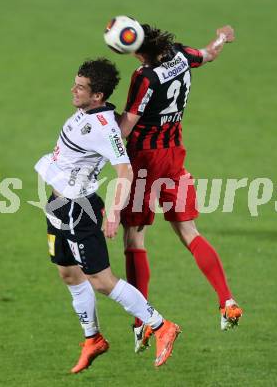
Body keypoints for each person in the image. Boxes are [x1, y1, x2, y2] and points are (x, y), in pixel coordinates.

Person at [34, 58, 180, 373]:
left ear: (97, 95)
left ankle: (161, 325)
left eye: (81, 87)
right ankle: (93, 339)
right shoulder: (93, 111)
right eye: (75, 83)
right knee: (68, 274)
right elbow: (126, 119)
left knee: (101, 281)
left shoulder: (103, 129)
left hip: (80, 209)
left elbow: (124, 170)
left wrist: (113, 211)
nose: (73, 90)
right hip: (58, 205)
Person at [118, 24, 243, 352]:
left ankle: (141, 320)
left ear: (138, 51)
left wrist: (98, 121)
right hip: (174, 155)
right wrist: (221, 37)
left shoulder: (144, 76)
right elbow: (210, 53)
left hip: (144, 158)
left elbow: (127, 123)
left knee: (135, 235)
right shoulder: (181, 55)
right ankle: (226, 300)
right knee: (188, 229)